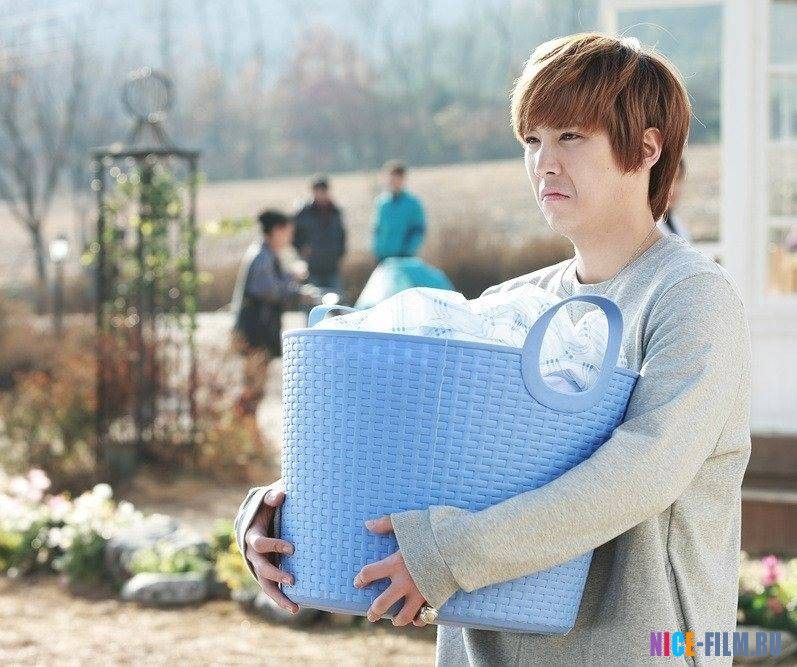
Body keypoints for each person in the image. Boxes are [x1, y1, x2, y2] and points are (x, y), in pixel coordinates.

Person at [236, 32, 751, 666]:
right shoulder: (511, 304)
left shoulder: (691, 297)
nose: (544, 163)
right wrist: (281, 516)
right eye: (532, 140)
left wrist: (447, 555)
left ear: (647, 148)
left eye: (570, 137)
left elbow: (644, 471)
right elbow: (413, 445)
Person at [230, 209, 319, 418]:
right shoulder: (262, 257)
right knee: (253, 387)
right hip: (254, 332)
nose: (290, 237)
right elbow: (270, 291)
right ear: (277, 231)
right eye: (288, 232)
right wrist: (297, 288)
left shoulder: (266, 254)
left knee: (256, 386)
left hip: (258, 330)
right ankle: (241, 426)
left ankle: (246, 427)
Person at [293, 174, 347, 299]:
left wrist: (339, 253)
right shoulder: (304, 213)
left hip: (332, 265)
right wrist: (301, 248)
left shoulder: (335, 211)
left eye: (323, 191)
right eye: (318, 191)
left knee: (336, 301)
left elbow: (342, 235)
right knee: (313, 301)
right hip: (312, 266)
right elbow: (293, 234)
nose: (321, 194)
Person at [372, 160, 426, 261]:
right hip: (383, 258)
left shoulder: (413, 204)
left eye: (397, 178)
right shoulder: (382, 203)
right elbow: (377, 229)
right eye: (391, 178)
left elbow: (418, 230)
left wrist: (408, 251)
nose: (393, 182)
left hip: (404, 257)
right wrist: (377, 249)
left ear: (403, 179)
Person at [658, 156, 692, 240]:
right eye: (667, 180)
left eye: (677, 179)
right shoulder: (650, 227)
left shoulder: (677, 224)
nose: (672, 188)